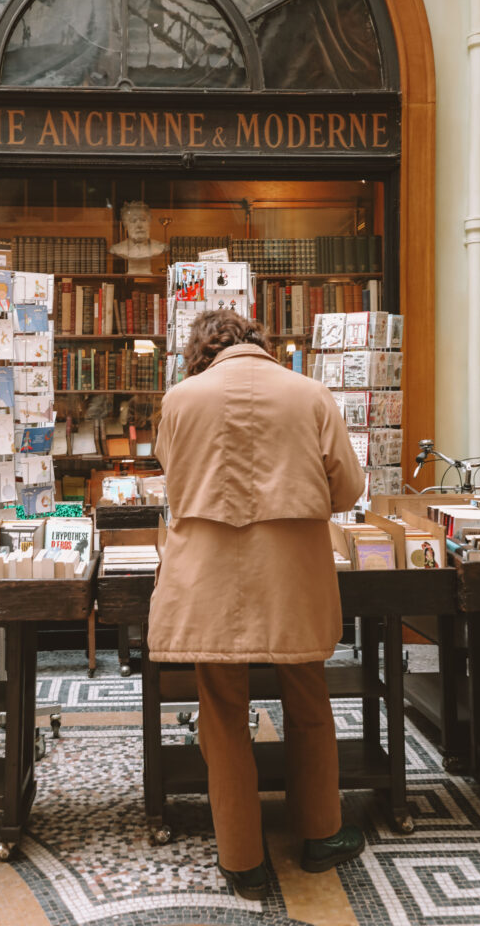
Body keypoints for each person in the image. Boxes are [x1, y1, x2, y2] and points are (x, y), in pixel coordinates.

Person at [148, 309, 366, 901]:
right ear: (259, 342)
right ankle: (321, 834)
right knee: (309, 700)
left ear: (203, 350)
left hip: (208, 576)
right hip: (292, 575)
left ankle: (242, 860)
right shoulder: (311, 393)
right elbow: (347, 489)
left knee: (221, 712)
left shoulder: (181, 399)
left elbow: (172, 477)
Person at [109, 201, 166, 274]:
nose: (139, 225)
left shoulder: (160, 247)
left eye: (143, 220)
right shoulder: (116, 248)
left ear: (149, 222)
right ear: (126, 225)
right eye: (133, 221)